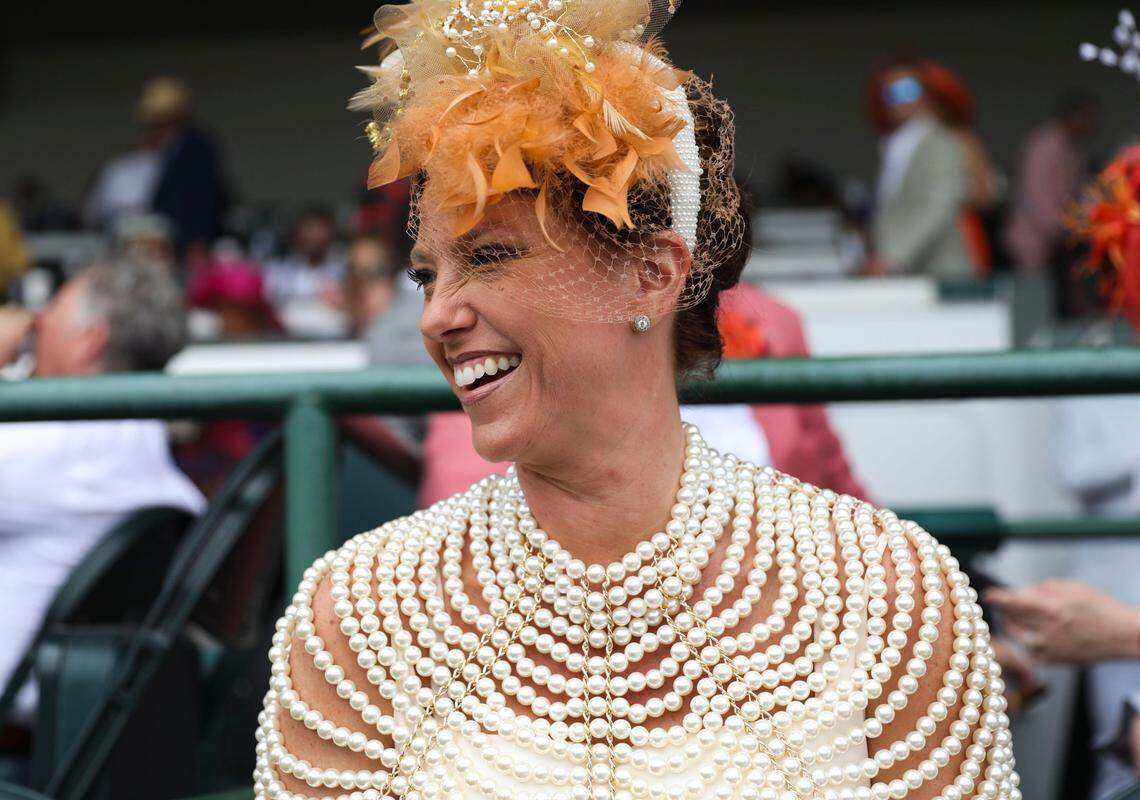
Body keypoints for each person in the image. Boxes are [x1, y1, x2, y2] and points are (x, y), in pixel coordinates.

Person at [253, 3, 1020, 799]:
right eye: (426, 274)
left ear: (654, 273)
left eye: (488, 256)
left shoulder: (889, 598)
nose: (436, 316)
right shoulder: (359, 620)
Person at [417, 281, 870, 507]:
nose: (435, 318)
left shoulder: (770, 321)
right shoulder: (499, 354)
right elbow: (465, 501)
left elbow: (832, 476)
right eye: (425, 277)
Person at [0, 260, 206, 723]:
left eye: (47, 311)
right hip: (81, 712)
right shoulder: (136, 433)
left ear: (89, 341)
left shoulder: (53, 447)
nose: (34, 324)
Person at [865, 59, 972, 279]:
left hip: (938, 274)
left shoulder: (942, 142)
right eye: (890, 92)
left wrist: (894, 256)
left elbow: (938, 206)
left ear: (928, 96)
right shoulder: (895, 146)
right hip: (906, 273)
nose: (898, 99)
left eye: (907, 90)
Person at [1003, 93, 1098, 315]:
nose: (1090, 126)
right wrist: (1064, 229)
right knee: (1033, 303)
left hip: (1057, 241)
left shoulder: (1071, 147)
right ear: (1071, 116)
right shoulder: (1045, 145)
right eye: (1086, 119)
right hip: (1032, 241)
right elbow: (1036, 196)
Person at [141, 77, 229, 260]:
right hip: (173, 240)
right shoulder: (172, 148)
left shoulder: (196, 146)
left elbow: (202, 197)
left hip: (190, 242)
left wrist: (197, 242)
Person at [264, 207, 348, 336]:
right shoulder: (278, 270)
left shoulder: (344, 267)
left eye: (319, 229)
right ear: (297, 233)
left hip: (334, 339)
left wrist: (342, 301)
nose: (314, 236)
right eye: (309, 229)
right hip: (286, 340)